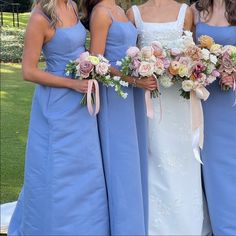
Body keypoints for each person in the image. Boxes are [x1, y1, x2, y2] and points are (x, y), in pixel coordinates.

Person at [8, 0, 109, 235]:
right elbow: (28, 71)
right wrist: (72, 83)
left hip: (81, 102)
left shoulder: (73, 5)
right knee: (57, 167)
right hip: (57, 103)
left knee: (85, 166)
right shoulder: (40, 17)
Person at [127, 0, 211, 234]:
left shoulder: (185, 12)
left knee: (185, 157)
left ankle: (188, 224)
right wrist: (141, 69)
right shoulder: (134, 13)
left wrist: (184, 67)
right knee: (153, 157)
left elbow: (192, 53)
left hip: (179, 99)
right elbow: (128, 58)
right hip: (150, 100)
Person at [80, 0, 157, 234]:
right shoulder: (102, 13)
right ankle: (125, 227)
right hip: (115, 95)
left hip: (132, 95)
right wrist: (135, 79)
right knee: (121, 162)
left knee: (134, 159)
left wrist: (143, 67)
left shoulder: (121, 10)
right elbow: (97, 61)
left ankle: (136, 224)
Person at [192, 0, 236, 234]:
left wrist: (234, 74)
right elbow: (187, 51)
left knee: (230, 164)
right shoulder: (196, 10)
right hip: (204, 100)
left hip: (231, 102)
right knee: (207, 164)